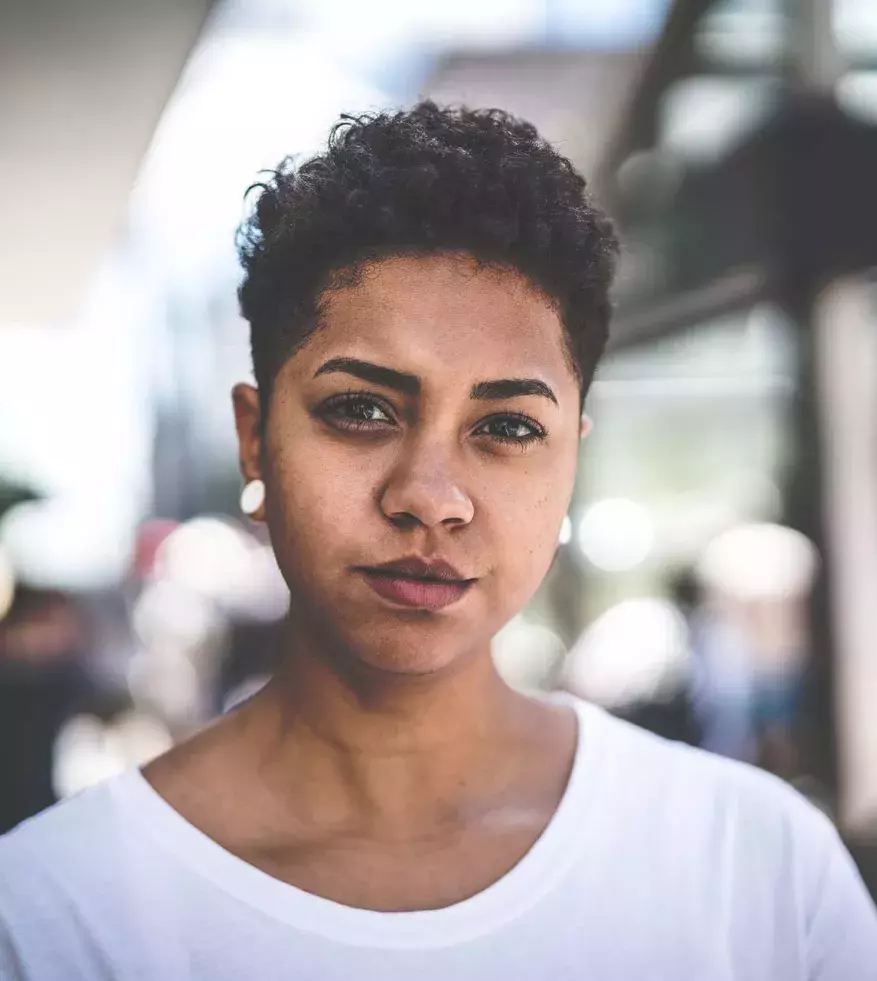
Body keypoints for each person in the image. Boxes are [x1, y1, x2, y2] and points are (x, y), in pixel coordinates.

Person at [1, 103, 875, 980]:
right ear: (256, 438)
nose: (430, 498)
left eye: (507, 426)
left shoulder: (756, 870)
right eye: (361, 409)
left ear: (573, 454)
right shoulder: (55, 914)